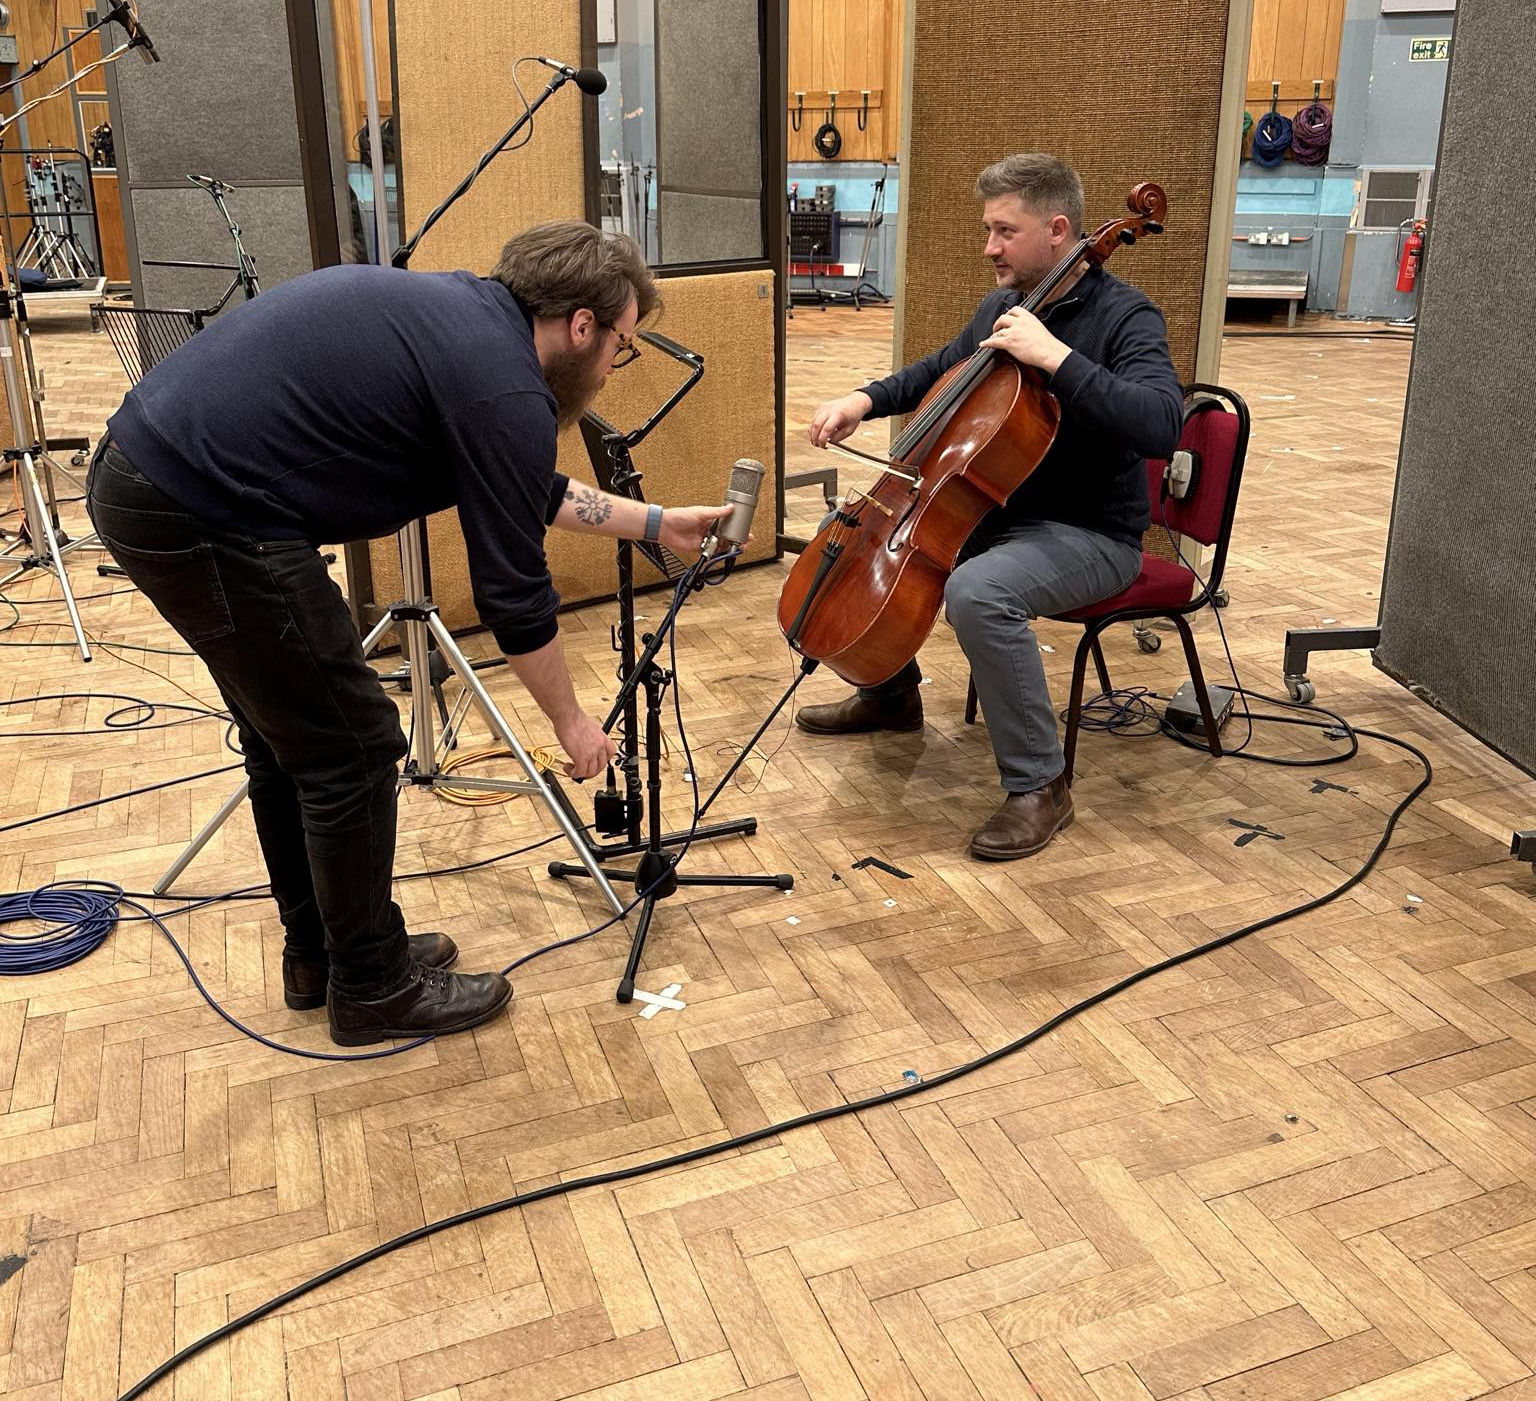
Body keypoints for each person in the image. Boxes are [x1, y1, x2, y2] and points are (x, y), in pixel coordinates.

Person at [88, 222, 733, 1045]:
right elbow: (513, 591)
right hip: (199, 505)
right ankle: (372, 987)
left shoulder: (471, 326)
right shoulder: (503, 382)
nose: (612, 368)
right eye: (621, 347)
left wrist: (657, 523)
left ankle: (324, 954)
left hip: (159, 479)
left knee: (295, 739)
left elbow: (520, 483)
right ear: (582, 325)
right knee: (351, 747)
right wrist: (571, 722)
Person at [797, 153, 1184, 862]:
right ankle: (891, 694)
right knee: (846, 542)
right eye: (988, 229)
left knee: (979, 592)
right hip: (996, 516)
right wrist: (863, 399)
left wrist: (1057, 359)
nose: (989, 247)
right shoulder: (1003, 309)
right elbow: (940, 369)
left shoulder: (1126, 316)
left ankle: (1041, 785)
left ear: (1058, 229)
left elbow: (1161, 423)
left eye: (1004, 231)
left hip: (1090, 533)